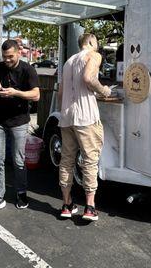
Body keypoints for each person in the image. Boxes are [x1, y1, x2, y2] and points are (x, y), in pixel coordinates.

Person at [0, 40, 39, 214]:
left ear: (19, 52)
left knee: (19, 160)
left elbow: (36, 95)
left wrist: (16, 92)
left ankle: (21, 192)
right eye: (5, 57)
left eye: (10, 56)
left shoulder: (28, 70)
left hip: (19, 122)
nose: (7, 60)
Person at [58, 33, 111, 221]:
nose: (97, 46)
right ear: (90, 42)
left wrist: (64, 109)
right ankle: (90, 207)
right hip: (86, 116)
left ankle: (67, 204)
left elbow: (61, 91)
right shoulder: (93, 55)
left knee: (66, 161)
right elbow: (88, 78)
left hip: (67, 117)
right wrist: (104, 90)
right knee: (89, 160)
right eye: (96, 42)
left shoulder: (68, 61)